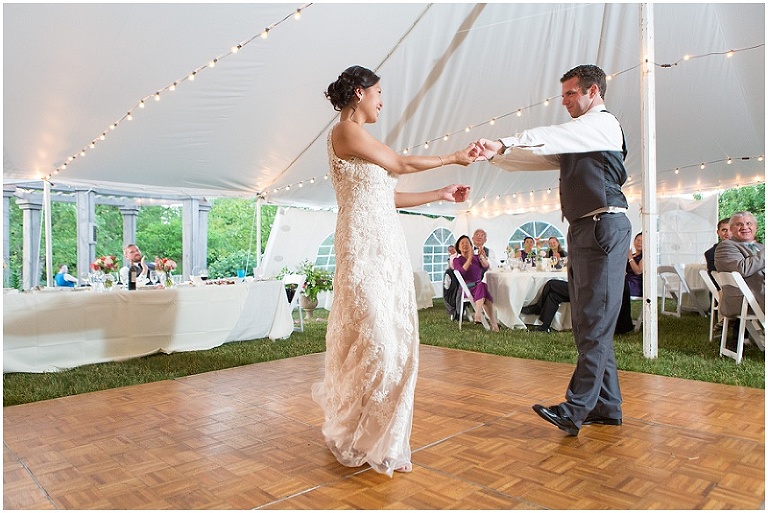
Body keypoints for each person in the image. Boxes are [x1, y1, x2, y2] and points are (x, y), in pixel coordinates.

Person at [312, 65, 476, 477]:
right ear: (357, 93)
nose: (382, 100)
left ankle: (380, 441)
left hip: (389, 249)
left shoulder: (365, 141)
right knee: (375, 343)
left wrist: (439, 193)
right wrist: (454, 157)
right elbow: (400, 164)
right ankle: (357, 432)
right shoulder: (344, 132)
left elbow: (390, 195)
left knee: (396, 342)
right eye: (379, 92)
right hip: (361, 248)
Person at [475, 64, 631, 436]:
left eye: (570, 94)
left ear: (593, 92)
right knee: (586, 323)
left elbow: (551, 138)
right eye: (562, 95)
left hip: (604, 226)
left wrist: (504, 142)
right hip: (583, 229)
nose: (563, 102)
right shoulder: (578, 138)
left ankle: (574, 409)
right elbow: (539, 156)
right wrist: (495, 155)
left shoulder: (602, 124)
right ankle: (607, 407)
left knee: (593, 322)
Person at [714, 211, 765, 344]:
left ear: (755, 227)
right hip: (744, 301)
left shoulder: (759, 247)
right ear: (731, 229)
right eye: (739, 224)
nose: (745, 227)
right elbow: (743, 269)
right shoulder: (726, 246)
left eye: (749, 223)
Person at [452, 234, 500, 331]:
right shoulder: (457, 260)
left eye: (467, 243)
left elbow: (486, 267)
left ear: (471, 246)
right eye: (462, 243)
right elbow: (462, 272)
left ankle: (489, 322)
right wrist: (469, 258)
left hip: (478, 287)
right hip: (467, 288)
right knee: (483, 288)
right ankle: (481, 316)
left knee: (483, 288)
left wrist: (482, 257)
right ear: (458, 247)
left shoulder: (476, 257)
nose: (465, 245)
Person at [615, 232, 643, 335]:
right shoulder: (633, 255)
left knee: (618, 288)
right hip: (626, 281)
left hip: (635, 285)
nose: (639, 243)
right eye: (638, 240)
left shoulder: (644, 256)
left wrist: (630, 257)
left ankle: (623, 325)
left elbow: (638, 271)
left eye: (642, 241)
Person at [704, 218, 732, 287]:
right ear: (718, 232)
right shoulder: (711, 253)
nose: (728, 233)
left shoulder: (746, 249)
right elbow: (715, 279)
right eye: (724, 230)